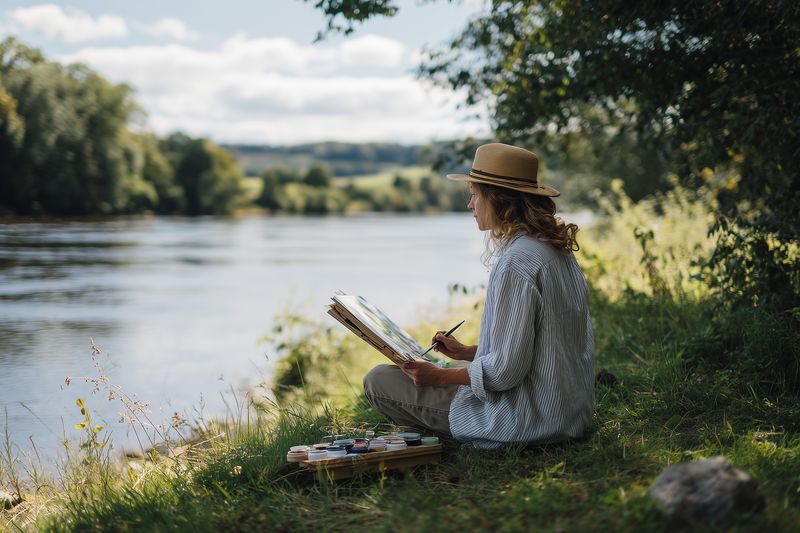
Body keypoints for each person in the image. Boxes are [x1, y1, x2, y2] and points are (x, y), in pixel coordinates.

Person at [363, 142, 595, 448]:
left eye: (475, 195)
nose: (470, 204)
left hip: (529, 420)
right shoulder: (554, 250)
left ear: (499, 200)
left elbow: (505, 373)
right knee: (421, 373)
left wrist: (438, 377)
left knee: (379, 380)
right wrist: (465, 353)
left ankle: (459, 437)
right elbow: (541, 349)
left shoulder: (517, 262)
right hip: (570, 415)